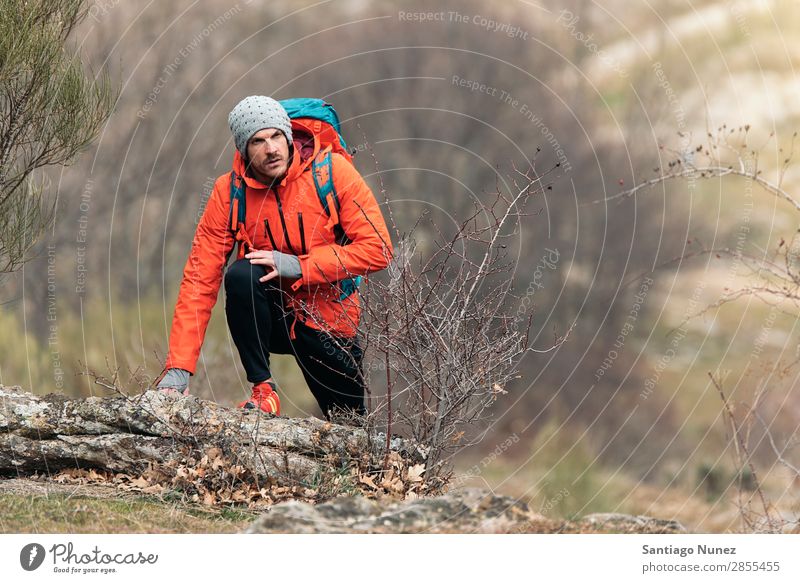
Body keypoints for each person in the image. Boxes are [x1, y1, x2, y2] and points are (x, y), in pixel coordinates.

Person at [155, 96, 393, 418]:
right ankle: (263, 391)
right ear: (243, 149)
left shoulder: (332, 173)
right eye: (258, 141)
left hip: (329, 322)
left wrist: (298, 266)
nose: (271, 149)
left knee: (349, 426)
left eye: (276, 136)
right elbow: (199, 280)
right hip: (273, 316)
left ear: (288, 135)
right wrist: (179, 368)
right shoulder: (230, 193)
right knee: (241, 275)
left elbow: (378, 248)